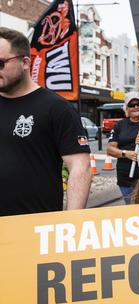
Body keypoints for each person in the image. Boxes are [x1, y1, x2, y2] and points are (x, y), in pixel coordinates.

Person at [0, 27, 91, 216]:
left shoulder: (56, 107)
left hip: (35, 228)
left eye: (0, 63)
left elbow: (79, 166)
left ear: (25, 62)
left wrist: (72, 223)